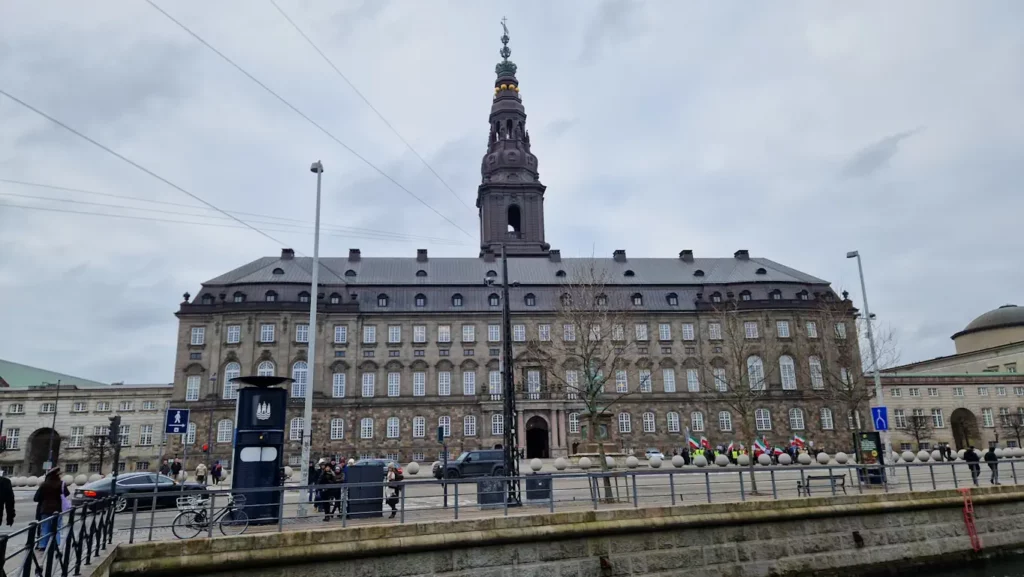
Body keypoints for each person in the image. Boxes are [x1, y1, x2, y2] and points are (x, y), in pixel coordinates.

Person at [34, 467, 69, 550]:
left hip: (45, 508)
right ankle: (55, 544)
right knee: (57, 527)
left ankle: (43, 545)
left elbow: (36, 498)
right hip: (57, 508)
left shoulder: (44, 485)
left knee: (45, 527)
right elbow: (66, 494)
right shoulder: (61, 484)